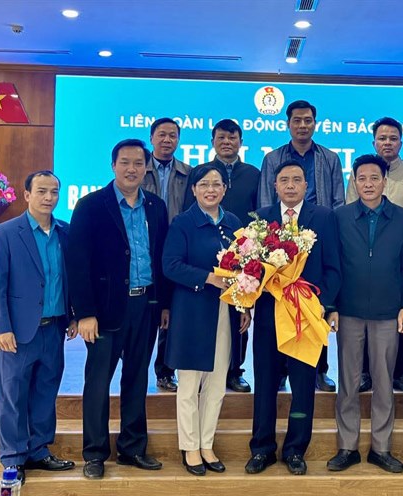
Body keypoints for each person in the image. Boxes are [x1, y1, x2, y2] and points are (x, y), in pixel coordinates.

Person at [66, 139, 170, 480]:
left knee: (138, 380)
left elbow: (160, 259)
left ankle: (132, 448)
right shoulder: (90, 205)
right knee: (98, 382)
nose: (132, 169)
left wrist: (164, 304)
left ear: (146, 167)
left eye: (138, 163)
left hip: (146, 305)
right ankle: (94, 453)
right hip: (105, 310)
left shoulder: (156, 206)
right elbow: (78, 263)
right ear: (113, 166)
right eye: (125, 162)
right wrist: (84, 312)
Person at [246, 160, 341, 476]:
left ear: (306, 185)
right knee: (266, 385)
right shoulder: (261, 219)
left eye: (296, 180)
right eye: (283, 180)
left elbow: (333, 268)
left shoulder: (324, 218)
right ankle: (262, 449)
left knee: (303, 387)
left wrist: (320, 305)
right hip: (269, 318)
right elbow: (251, 269)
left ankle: (296, 449)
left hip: (305, 317)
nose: (290, 185)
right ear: (274, 186)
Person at [163, 163, 251, 476]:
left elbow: (245, 269)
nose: (211, 190)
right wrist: (208, 279)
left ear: (225, 189)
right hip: (192, 312)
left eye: (217, 184)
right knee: (189, 384)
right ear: (194, 189)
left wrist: (244, 305)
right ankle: (189, 447)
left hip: (226, 312)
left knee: (216, 385)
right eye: (204, 184)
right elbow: (170, 265)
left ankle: (206, 444)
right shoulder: (183, 223)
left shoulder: (234, 222)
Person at [0, 171, 77, 484]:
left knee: (45, 392)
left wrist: (74, 316)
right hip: (19, 331)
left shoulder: (65, 232)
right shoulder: (7, 232)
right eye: (42, 191)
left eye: (54, 191)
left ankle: (39, 450)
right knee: (13, 394)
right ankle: (13, 458)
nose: (49, 198)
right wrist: (1, 327)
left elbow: (69, 280)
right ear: (27, 195)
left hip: (54, 329)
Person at [328, 154, 403, 474]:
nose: (368, 184)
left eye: (374, 178)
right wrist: (331, 306)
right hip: (349, 311)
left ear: (385, 181)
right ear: (354, 181)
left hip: (388, 313)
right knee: (348, 383)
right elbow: (333, 266)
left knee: (382, 381)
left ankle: (381, 448)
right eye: (361, 178)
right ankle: (347, 447)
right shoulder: (340, 217)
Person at [257, 99, 342, 391]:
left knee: (312, 312)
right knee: (278, 312)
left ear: (314, 123)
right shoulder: (272, 158)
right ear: (288, 123)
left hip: (317, 237)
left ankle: (319, 370)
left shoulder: (329, 158)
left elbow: (338, 201)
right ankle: (279, 371)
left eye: (308, 120)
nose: (302, 125)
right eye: (297, 120)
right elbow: (266, 203)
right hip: (280, 241)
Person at [345, 117, 403, 393]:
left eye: (393, 138)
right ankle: (366, 372)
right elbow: (350, 208)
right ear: (374, 141)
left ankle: (397, 372)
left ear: (401, 142)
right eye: (382, 138)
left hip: (400, 251)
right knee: (364, 320)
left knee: (397, 317)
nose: (387, 142)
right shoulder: (359, 172)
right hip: (364, 250)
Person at [199, 118, 260, 393]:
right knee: (204, 313)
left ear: (241, 141)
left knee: (240, 311)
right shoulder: (202, 172)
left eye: (232, 137)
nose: (227, 142)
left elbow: (259, 212)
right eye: (221, 137)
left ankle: (235, 370)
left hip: (242, 255)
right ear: (213, 141)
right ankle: (203, 367)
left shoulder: (253, 174)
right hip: (205, 254)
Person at [141, 117, 192, 393]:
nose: (167, 140)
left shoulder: (189, 172)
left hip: (177, 249)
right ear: (151, 138)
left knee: (170, 313)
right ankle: (136, 367)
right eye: (162, 135)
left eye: (172, 135)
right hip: (144, 247)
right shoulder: (138, 169)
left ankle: (164, 371)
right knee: (147, 309)